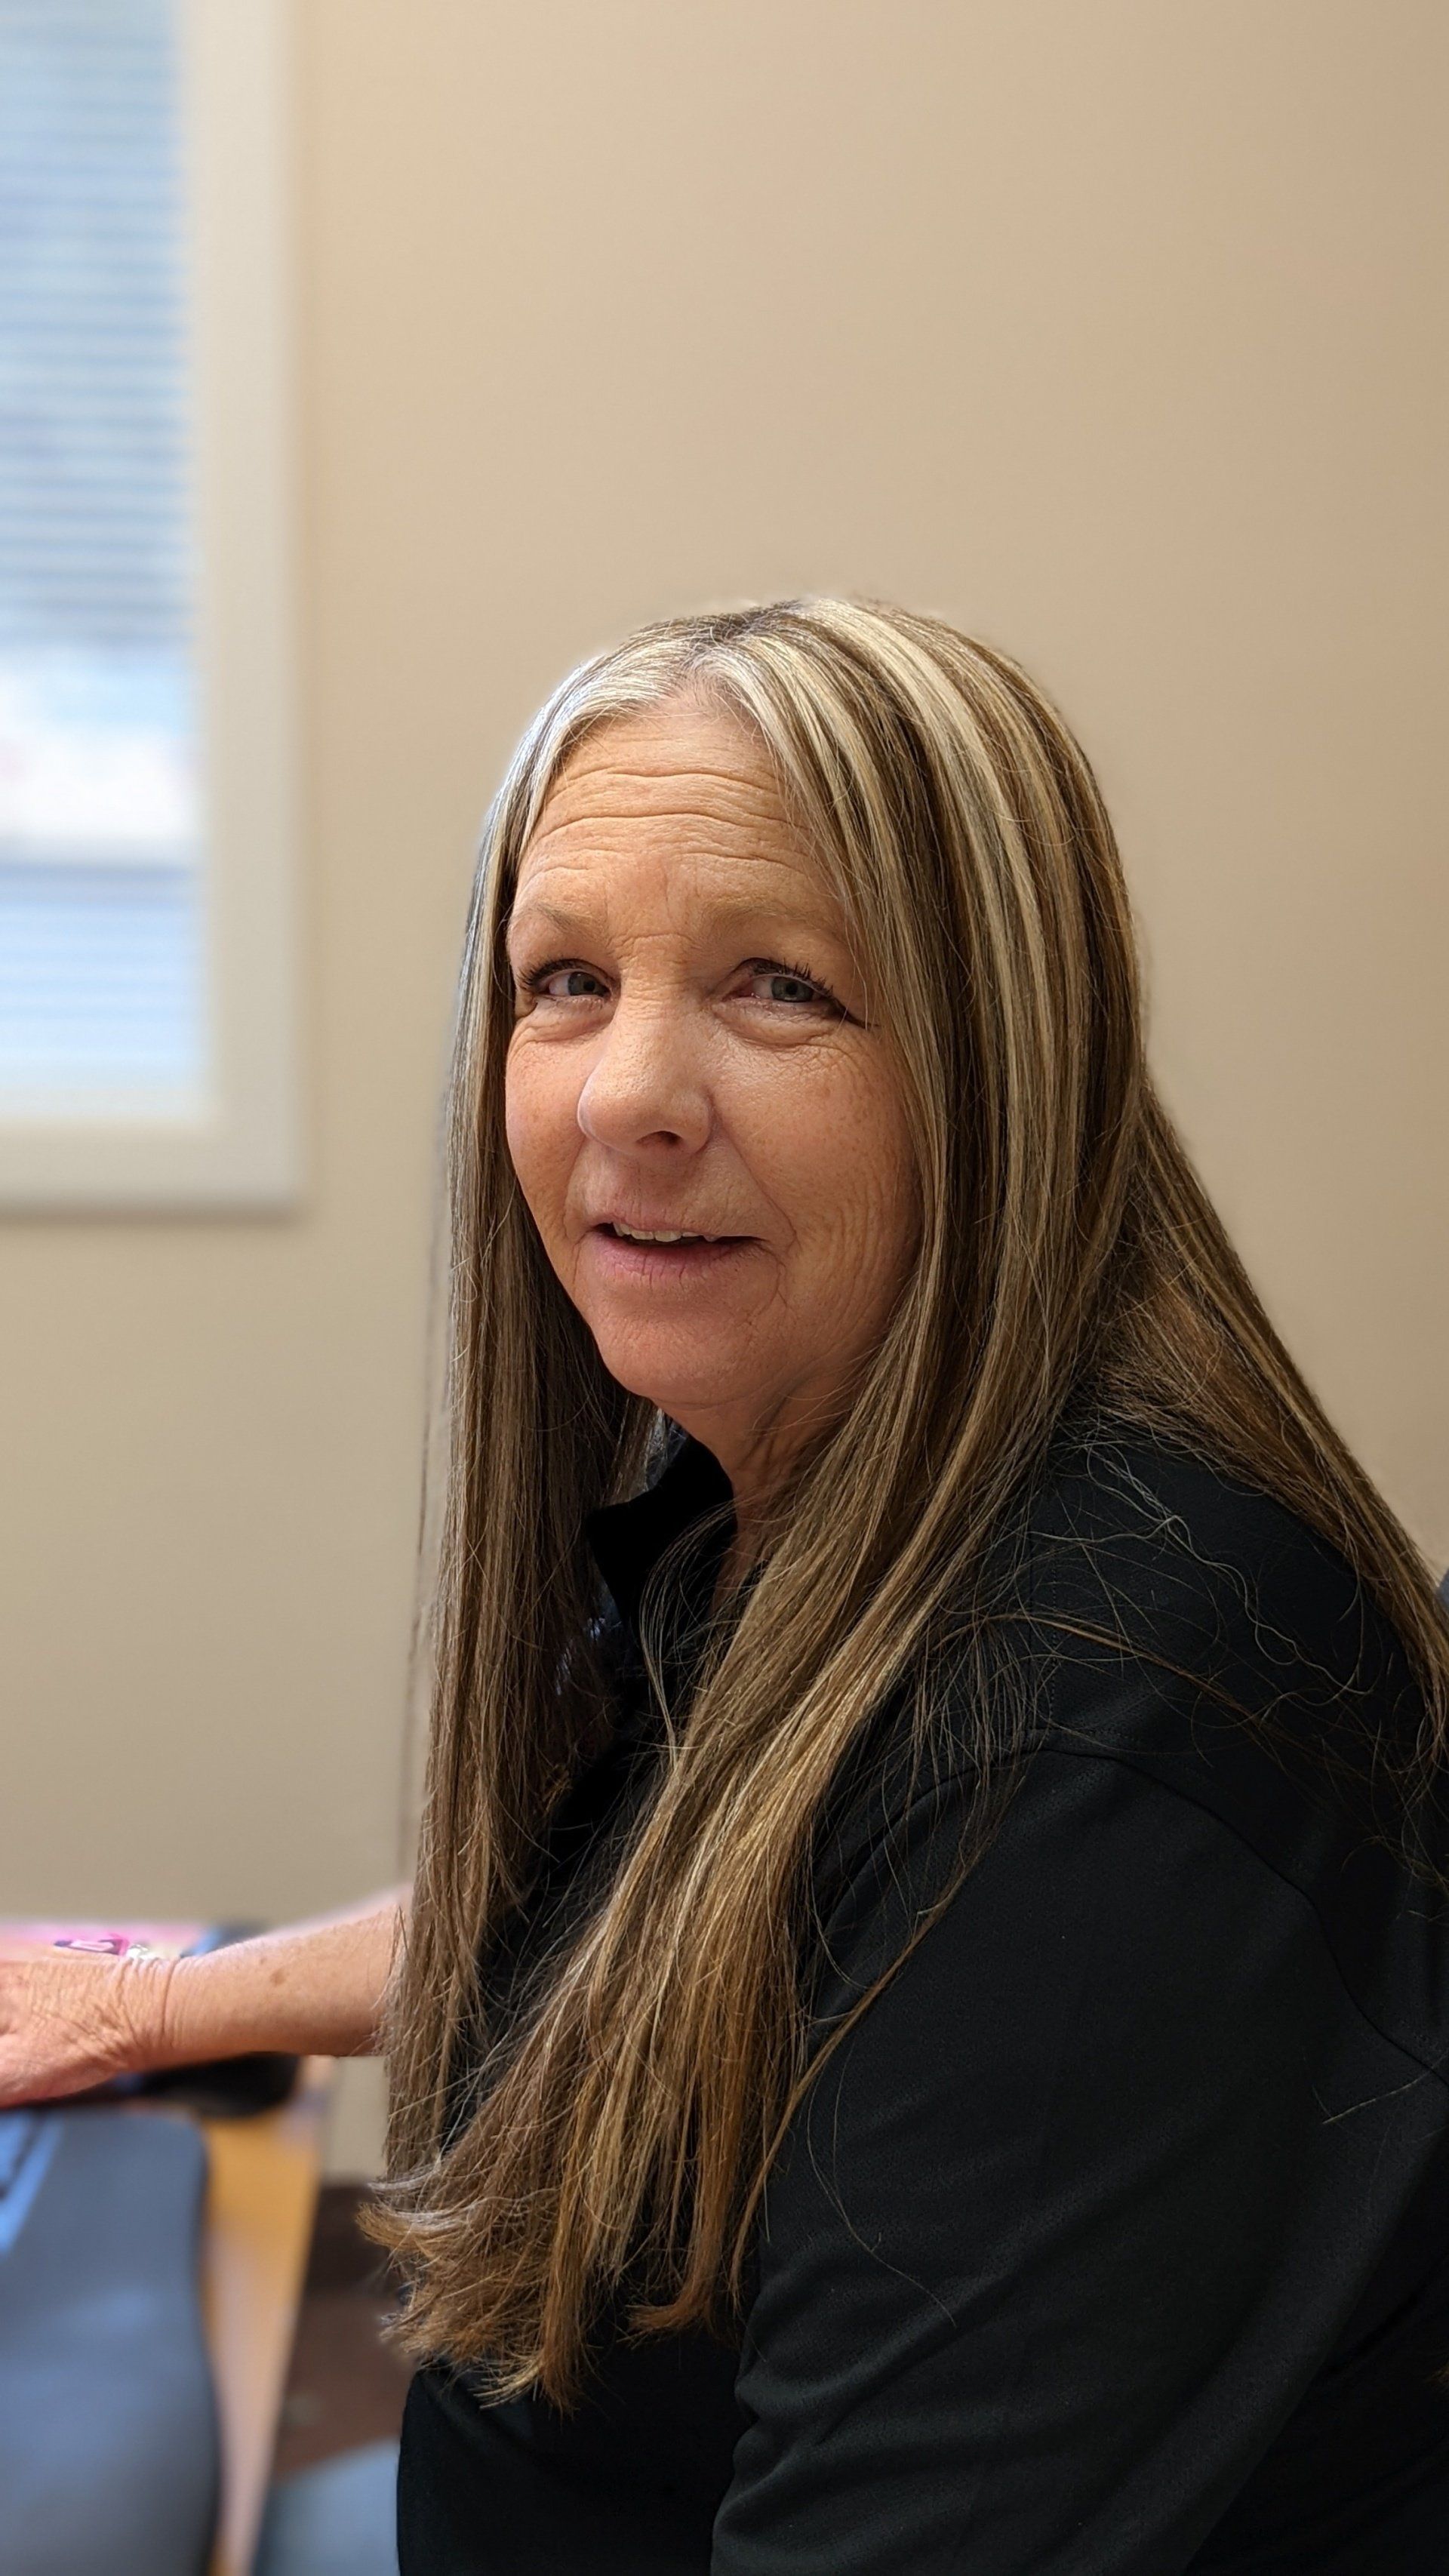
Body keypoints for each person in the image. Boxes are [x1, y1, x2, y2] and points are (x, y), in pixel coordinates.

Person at [4, 597, 1449, 2573]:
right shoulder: (796, 1471)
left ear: (999, 1062)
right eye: (568, 981)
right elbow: (664, 1918)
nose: (625, 1097)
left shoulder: (1084, 1739)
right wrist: (153, 2003)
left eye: (777, 987)